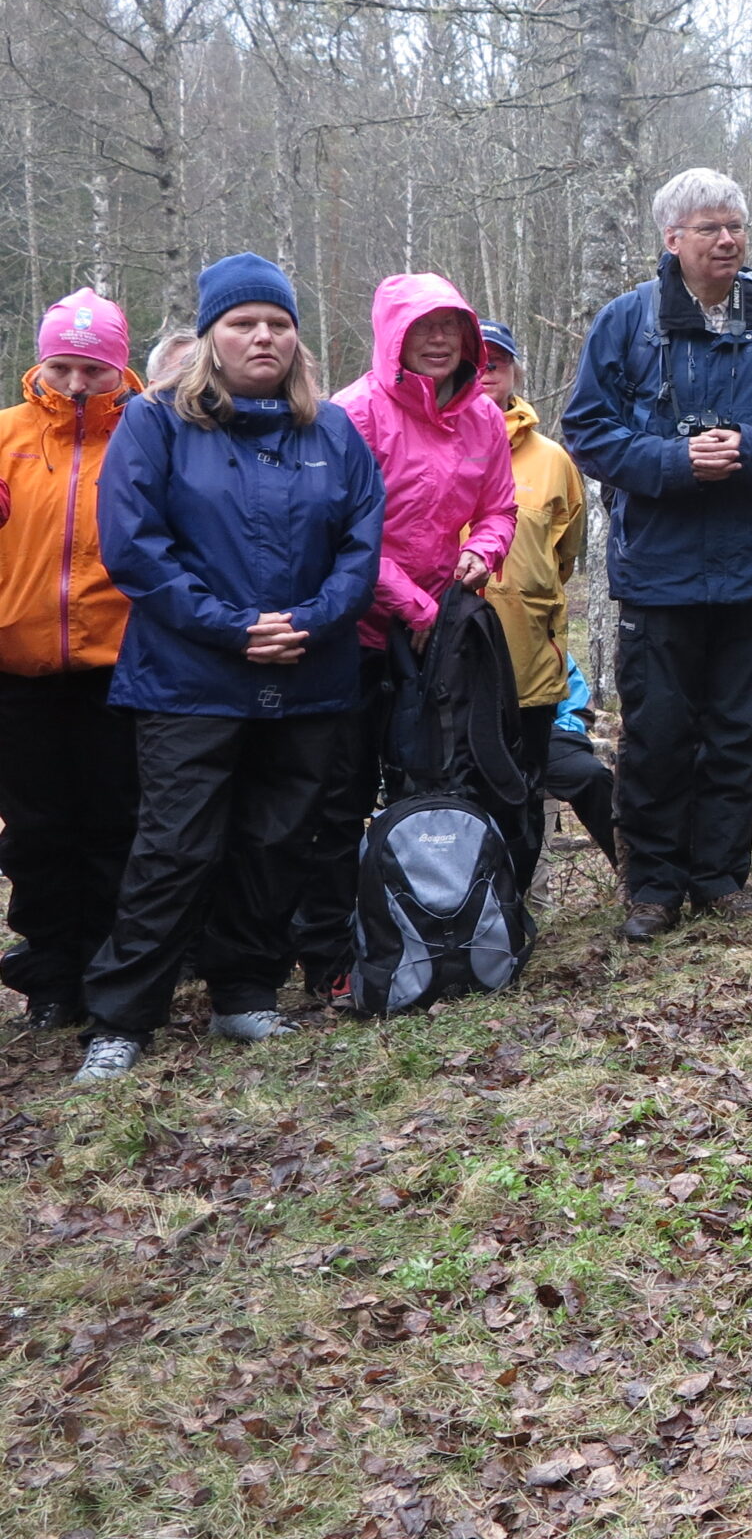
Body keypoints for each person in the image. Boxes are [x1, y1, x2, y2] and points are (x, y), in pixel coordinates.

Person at [76, 255, 385, 1085]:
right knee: (175, 845)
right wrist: (232, 628)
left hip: (310, 677)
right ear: (211, 338)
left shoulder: (332, 432)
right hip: (188, 678)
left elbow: (361, 547)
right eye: (244, 323)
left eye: (278, 324)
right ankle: (121, 1016)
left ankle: (244, 991)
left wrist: (313, 621)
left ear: (297, 340)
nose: (263, 336)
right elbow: (135, 549)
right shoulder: (156, 424)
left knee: (277, 840)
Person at [561, 166, 752, 941]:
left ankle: (719, 876)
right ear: (672, 238)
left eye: (736, 226)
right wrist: (674, 463)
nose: (728, 240)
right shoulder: (628, 322)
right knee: (657, 734)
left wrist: (749, 450)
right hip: (662, 572)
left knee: (740, 732)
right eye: (711, 228)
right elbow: (586, 430)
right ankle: (652, 886)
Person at [296, 273, 517, 999]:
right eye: (423, 328)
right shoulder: (352, 415)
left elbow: (498, 509)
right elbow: (340, 534)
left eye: (451, 328)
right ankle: (328, 952)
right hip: (356, 635)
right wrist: (413, 608)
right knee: (341, 792)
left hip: (441, 635)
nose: (438, 341)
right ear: (393, 335)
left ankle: (435, 930)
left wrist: (481, 555)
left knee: (433, 782)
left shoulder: (482, 416)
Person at [0, 291, 143, 1029]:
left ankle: (111, 970)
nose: (78, 383)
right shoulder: (6, 436)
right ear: (41, 363)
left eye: (94, 368)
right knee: (36, 831)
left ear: (120, 368)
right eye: (63, 366)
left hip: (120, 668)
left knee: (116, 823)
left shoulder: (149, 436)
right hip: (19, 670)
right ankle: (51, 975)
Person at [477, 320, 586, 886]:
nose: (486, 368)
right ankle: (455, 913)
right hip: (446, 659)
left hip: (530, 663)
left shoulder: (553, 461)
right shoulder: (428, 444)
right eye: (476, 358)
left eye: (498, 359)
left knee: (523, 790)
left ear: (517, 369)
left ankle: (517, 909)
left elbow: (565, 555)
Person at [542, 654, 617, 861]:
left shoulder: (544, 634)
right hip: (474, 742)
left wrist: (564, 734)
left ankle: (632, 874)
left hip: (545, 734)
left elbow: (578, 705)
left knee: (593, 776)